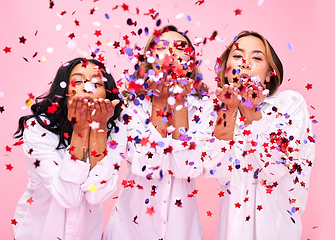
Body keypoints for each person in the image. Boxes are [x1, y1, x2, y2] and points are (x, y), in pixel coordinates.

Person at [102, 25, 214, 240]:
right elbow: (146, 166)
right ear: (148, 62)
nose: (171, 54)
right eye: (161, 48)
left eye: (180, 48)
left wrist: (178, 104)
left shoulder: (205, 107)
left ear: (191, 64)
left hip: (181, 230)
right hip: (130, 228)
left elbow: (187, 168)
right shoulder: (129, 107)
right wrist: (160, 104)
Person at [203, 31, 315, 239]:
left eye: (256, 58)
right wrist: (228, 111)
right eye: (237, 56)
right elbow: (215, 171)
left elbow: (275, 168)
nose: (245, 63)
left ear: (269, 73)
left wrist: (250, 111)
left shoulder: (289, 103)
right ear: (225, 71)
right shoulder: (217, 112)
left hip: (276, 230)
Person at [12, 57, 124, 239]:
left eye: (97, 82)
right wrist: (80, 130)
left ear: (107, 94)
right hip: (39, 232)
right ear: (64, 91)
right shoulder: (37, 128)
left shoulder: (116, 131)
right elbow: (67, 197)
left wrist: (100, 129)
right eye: (78, 81)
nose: (88, 88)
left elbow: (96, 195)